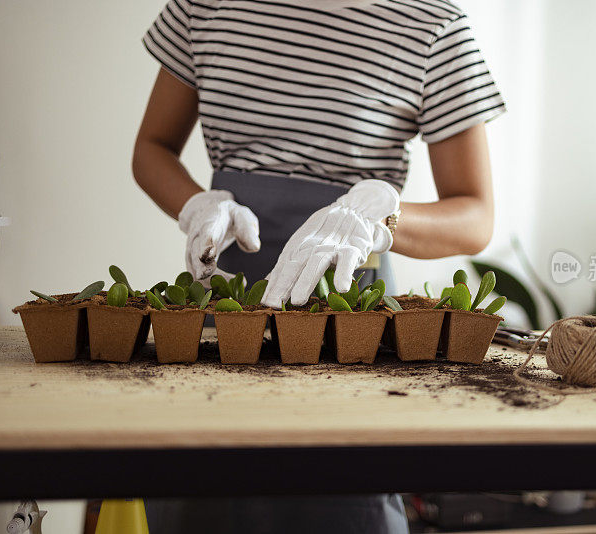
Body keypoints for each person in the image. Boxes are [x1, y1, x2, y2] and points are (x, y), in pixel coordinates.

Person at [133, 0, 504, 531]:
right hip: (226, 300)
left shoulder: (432, 20)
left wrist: (381, 212)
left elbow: (475, 216)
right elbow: (152, 147)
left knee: (345, 498)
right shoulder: (204, 6)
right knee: (209, 497)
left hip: (349, 310)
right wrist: (197, 205)